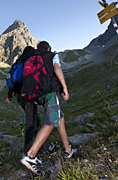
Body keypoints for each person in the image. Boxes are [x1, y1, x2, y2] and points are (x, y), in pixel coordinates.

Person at [20, 41, 76, 175]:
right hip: (50, 92)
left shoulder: (31, 59)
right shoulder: (51, 56)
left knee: (59, 117)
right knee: (52, 121)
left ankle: (67, 150)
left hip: (37, 95)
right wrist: (65, 88)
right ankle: (30, 156)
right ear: (48, 48)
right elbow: (57, 68)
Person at [6, 46, 52, 153]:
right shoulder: (28, 63)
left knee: (36, 121)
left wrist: (9, 96)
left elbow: (12, 83)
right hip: (28, 97)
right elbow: (30, 82)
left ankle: (43, 147)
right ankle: (29, 151)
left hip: (20, 97)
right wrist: (35, 96)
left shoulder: (17, 63)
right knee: (31, 124)